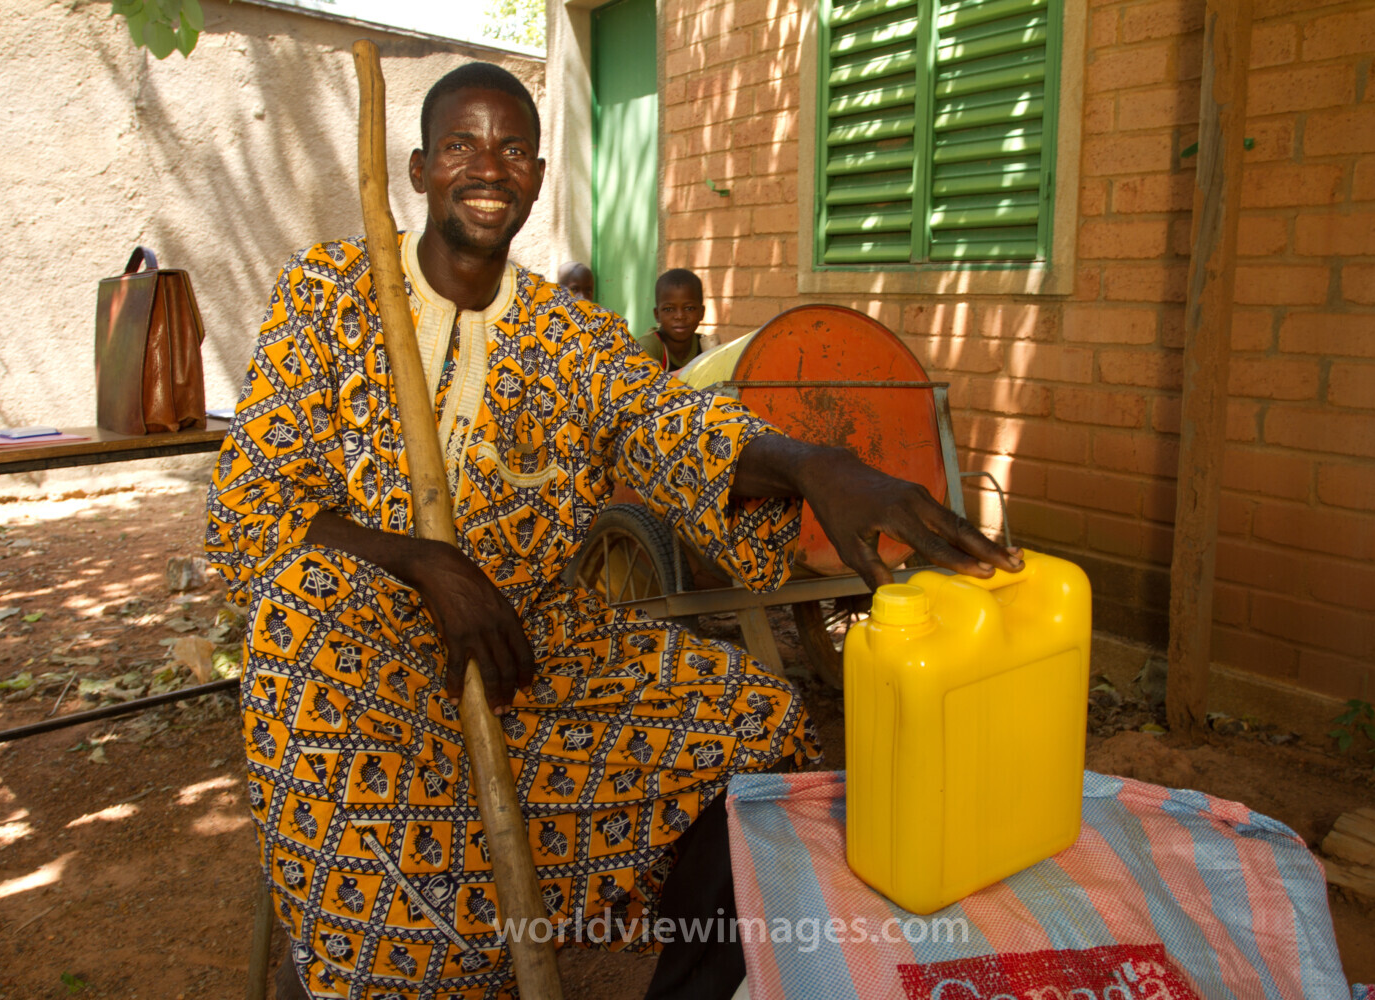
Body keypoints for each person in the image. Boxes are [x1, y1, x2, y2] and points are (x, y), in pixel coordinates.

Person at [206, 62, 1021, 1000]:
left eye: (512, 148)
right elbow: (251, 509)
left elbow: (672, 427)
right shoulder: (326, 294)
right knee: (304, 636)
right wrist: (425, 563)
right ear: (421, 167)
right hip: (356, 651)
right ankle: (396, 962)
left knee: (751, 725)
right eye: (462, 145)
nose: (487, 167)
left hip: (532, 646)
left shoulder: (570, 337)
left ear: (539, 177)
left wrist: (811, 465)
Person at [638, 268, 705, 373]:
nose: (680, 316)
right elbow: (647, 383)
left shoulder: (706, 346)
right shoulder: (647, 346)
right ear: (657, 314)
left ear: (702, 313)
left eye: (689, 308)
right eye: (668, 309)